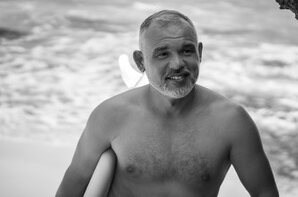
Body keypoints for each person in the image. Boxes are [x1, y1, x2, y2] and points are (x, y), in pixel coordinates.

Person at [56, 10, 279, 197]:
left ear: (200, 53)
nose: (177, 64)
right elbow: (74, 185)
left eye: (187, 51)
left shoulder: (231, 121)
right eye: (162, 54)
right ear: (141, 61)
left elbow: (265, 193)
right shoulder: (110, 116)